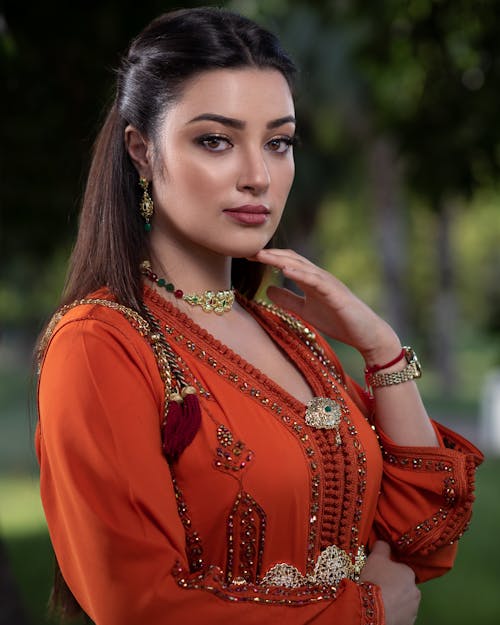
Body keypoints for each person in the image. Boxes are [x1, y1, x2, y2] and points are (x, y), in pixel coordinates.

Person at [36, 7, 483, 625]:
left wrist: (381, 350)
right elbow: (138, 603)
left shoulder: (291, 334)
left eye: (278, 142)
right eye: (215, 140)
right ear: (142, 151)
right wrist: (363, 613)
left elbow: (421, 542)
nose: (258, 176)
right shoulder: (100, 344)